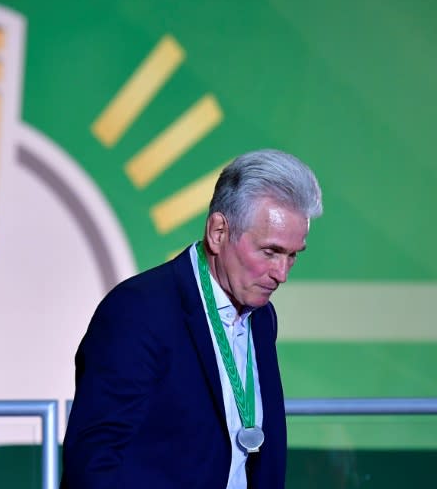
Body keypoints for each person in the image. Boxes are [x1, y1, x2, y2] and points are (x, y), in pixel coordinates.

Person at [61, 149, 323, 489]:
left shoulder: (263, 317)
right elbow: (94, 463)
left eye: (292, 256)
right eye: (270, 252)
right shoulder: (138, 310)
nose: (281, 273)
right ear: (218, 232)